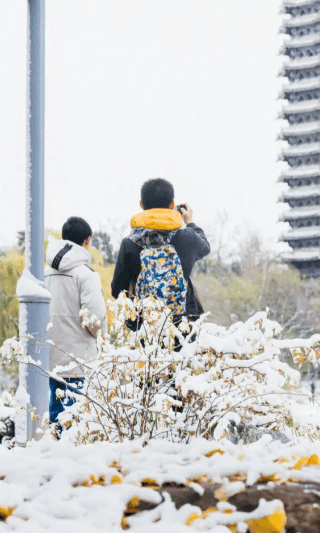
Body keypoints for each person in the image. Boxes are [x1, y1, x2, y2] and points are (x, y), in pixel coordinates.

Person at [111, 178, 210, 323]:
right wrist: (190, 222)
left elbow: (117, 291)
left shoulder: (129, 243)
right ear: (173, 205)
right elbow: (205, 247)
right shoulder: (187, 237)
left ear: (141, 205)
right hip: (183, 324)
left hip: (145, 326)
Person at [44, 216, 107, 429]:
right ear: (87, 241)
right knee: (75, 420)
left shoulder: (44, 273)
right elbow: (94, 319)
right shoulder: (86, 275)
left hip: (51, 356)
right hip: (77, 360)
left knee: (56, 417)